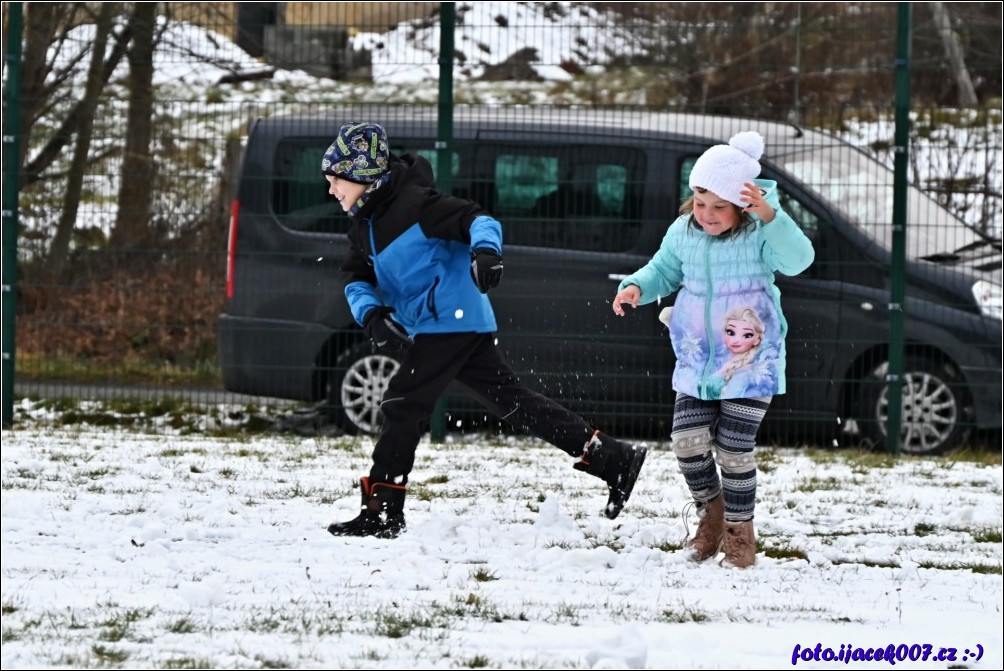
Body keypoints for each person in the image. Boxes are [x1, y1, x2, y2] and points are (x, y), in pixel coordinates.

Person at [321, 121, 647, 539]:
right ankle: (612, 459)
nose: (331, 190)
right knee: (514, 402)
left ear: (363, 175)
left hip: (451, 320)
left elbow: (479, 219)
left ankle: (383, 512)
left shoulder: (416, 205)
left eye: (336, 180)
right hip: (444, 325)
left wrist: (487, 254)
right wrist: (371, 316)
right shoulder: (362, 222)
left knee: (403, 404)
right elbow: (355, 276)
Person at [611, 131, 814, 568]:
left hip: (749, 358)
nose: (707, 215)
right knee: (687, 441)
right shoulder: (684, 231)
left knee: (734, 447)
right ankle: (713, 512)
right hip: (697, 357)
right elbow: (662, 270)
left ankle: (740, 535)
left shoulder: (761, 231)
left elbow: (799, 260)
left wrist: (772, 216)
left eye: (718, 207)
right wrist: (636, 287)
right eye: (699, 204)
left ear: (743, 205)